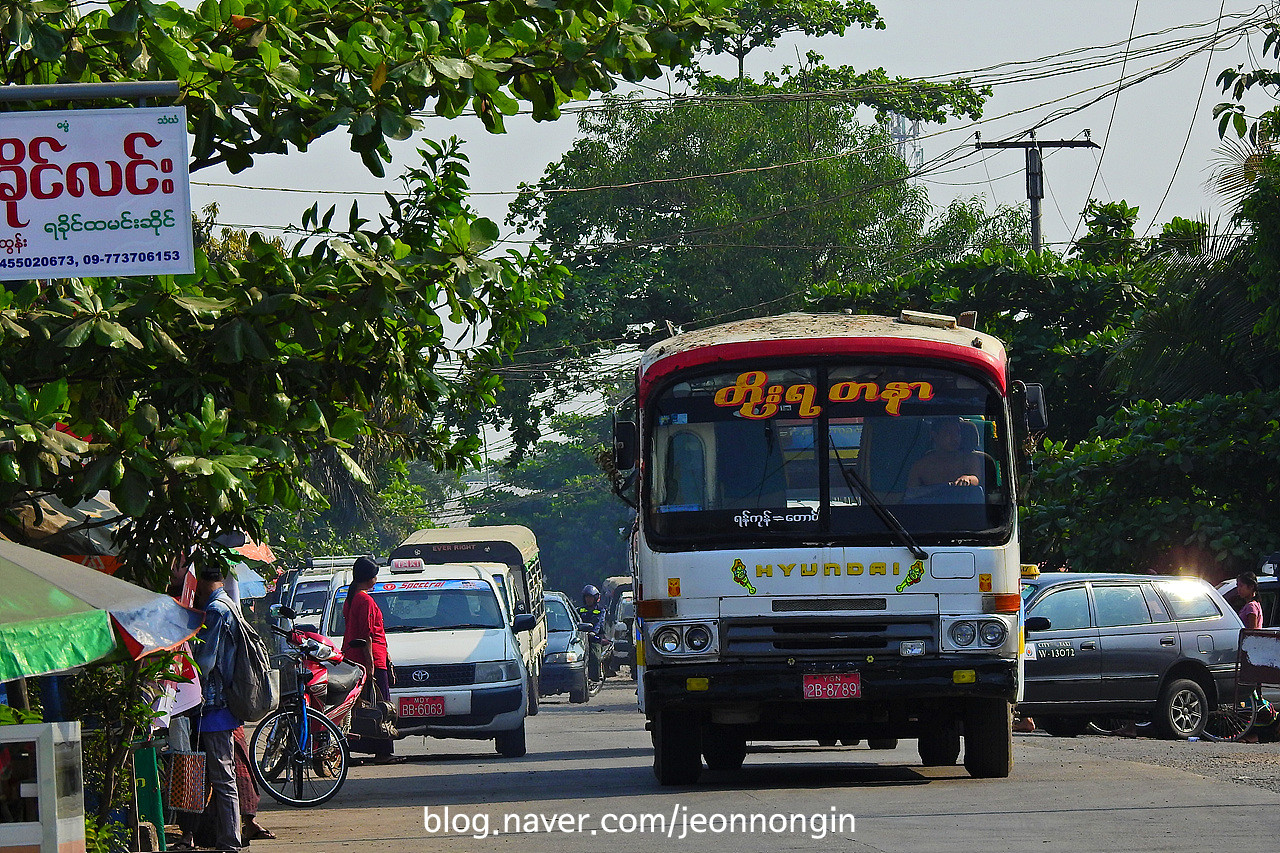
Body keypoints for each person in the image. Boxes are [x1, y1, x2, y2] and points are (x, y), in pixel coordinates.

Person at [192, 566, 243, 852]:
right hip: (225, 703)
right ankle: (224, 837)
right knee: (224, 775)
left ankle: (229, 841)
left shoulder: (215, 611)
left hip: (214, 704)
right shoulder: (229, 605)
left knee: (223, 777)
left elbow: (207, 659)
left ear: (201, 583)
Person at [341, 556, 405, 764]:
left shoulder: (352, 598)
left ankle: (354, 747)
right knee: (381, 706)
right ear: (369, 578)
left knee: (357, 706)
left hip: (354, 659)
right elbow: (367, 635)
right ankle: (383, 751)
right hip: (370, 661)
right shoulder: (365, 600)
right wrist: (370, 666)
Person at [907, 417, 989, 494]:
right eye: (948, 433)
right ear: (934, 435)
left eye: (958, 433)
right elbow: (911, 496)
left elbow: (975, 478)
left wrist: (967, 479)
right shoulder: (921, 466)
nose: (955, 437)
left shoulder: (970, 459)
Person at [579, 585, 605, 681]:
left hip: (595, 638)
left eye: (590, 597)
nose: (588, 599)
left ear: (596, 598)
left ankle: (595, 678)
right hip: (582, 638)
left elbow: (599, 623)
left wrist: (593, 632)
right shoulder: (580, 610)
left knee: (594, 656)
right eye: (586, 597)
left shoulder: (601, 610)